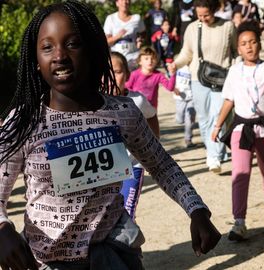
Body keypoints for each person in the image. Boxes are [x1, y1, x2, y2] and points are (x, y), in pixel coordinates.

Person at [0, 1, 221, 269]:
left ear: (93, 51)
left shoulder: (122, 112)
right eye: (47, 47)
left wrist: (196, 210)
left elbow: (161, 165)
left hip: (115, 256)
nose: (59, 55)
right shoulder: (25, 121)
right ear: (36, 61)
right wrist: (3, 230)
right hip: (45, 261)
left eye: (72, 44)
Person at [211, 21, 264, 241]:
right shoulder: (234, 71)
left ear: (259, 44)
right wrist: (218, 125)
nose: (249, 47)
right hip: (241, 129)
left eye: (253, 42)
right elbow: (229, 100)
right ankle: (239, 223)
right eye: (244, 43)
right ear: (238, 48)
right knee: (240, 174)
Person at [172, 0, 238, 173]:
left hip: (223, 78)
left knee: (219, 116)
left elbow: (236, 51)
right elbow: (186, 53)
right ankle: (213, 152)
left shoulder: (228, 26)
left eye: (206, 15)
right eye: (199, 15)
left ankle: (214, 155)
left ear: (214, 10)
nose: (203, 18)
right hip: (198, 77)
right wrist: (175, 65)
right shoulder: (193, 28)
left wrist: (239, 70)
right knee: (204, 118)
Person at [111, 51, 159, 220]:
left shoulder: (137, 100)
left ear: (127, 74)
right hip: (105, 172)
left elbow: (152, 116)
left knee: (126, 214)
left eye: (117, 72)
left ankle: (124, 246)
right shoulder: (94, 103)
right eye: (105, 72)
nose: (111, 77)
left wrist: (154, 143)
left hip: (133, 167)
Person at [125, 46, 177, 137]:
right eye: (146, 58)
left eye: (152, 58)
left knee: (152, 134)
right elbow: (126, 89)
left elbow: (170, 87)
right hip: (136, 108)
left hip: (151, 111)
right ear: (140, 61)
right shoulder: (134, 75)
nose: (150, 61)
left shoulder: (158, 75)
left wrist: (173, 74)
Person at [103, 0, 146, 71]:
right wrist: (117, 36)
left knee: (133, 80)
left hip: (134, 57)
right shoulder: (111, 18)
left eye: (127, 0)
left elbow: (143, 33)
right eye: (122, 0)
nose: (125, 2)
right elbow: (106, 42)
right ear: (117, 3)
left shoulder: (136, 18)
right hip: (117, 57)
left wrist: (140, 40)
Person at [173, 65, 196, 148]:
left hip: (192, 97)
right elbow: (170, 78)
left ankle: (188, 139)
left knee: (189, 120)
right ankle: (179, 119)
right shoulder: (178, 65)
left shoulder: (194, 66)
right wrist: (174, 88)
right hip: (180, 97)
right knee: (180, 120)